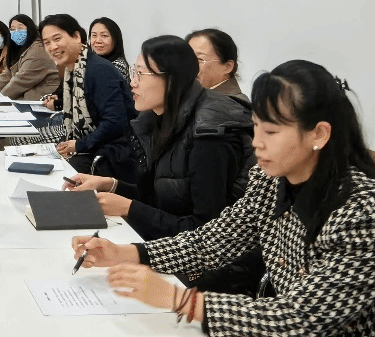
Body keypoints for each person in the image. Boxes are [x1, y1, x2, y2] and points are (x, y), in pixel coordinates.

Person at [71, 61, 375, 335]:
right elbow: (212, 242)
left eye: (271, 132)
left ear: (319, 134)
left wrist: (180, 300)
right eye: (256, 127)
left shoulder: (364, 213)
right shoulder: (271, 181)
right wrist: (125, 253)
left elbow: (300, 319)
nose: (257, 143)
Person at [65, 35, 254, 241]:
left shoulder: (209, 135)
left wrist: (129, 208)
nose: (132, 83)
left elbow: (206, 231)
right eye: (133, 72)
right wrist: (110, 184)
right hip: (170, 242)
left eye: (140, 74)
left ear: (171, 79)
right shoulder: (158, 120)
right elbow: (163, 197)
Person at [18, 14, 136, 177]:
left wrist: (79, 145)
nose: (53, 47)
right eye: (47, 43)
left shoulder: (100, 70)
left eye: (57, 39)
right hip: (85, 142)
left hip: (108, 152)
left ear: (77, 36)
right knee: (20, 141)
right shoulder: (74, 68)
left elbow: (115, 123)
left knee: (51, 174)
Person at [0, 14, 60, 100]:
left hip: (43, 98)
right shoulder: (19, 48)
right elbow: (7, 73)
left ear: (30, 28)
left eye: (20, 28)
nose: (16, 32)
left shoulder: (38, 49)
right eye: (13, 29)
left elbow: (21, 81)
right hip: (28, 95)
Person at [187, 28, 248, 104]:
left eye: (199, 59)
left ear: (227, 66)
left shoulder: (234, 104)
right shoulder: (193, 99)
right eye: (188, 59)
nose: (190, 66)